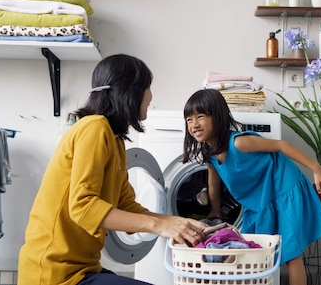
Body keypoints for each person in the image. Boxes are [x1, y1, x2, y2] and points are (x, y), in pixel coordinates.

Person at [18, 54, 208, 285]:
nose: (151, 95)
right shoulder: (94, 128)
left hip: (82, 270)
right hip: (53, 275)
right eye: (147, 87)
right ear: (130, 91)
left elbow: (126, 206)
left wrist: (177, 223)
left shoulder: (114, 139)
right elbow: (83, 206)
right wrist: (159, 225)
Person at [182, 89, 321, 285]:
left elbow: (281, 145)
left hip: (283, 189)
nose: (194, 124)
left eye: (200, 116)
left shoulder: (238, 143)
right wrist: (214, 211)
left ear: (217, 117)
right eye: (189, 119)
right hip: (260, 201)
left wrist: (317, 169)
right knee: (252, 249)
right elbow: (213, 183)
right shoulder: (210, 154)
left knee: (291, 254)